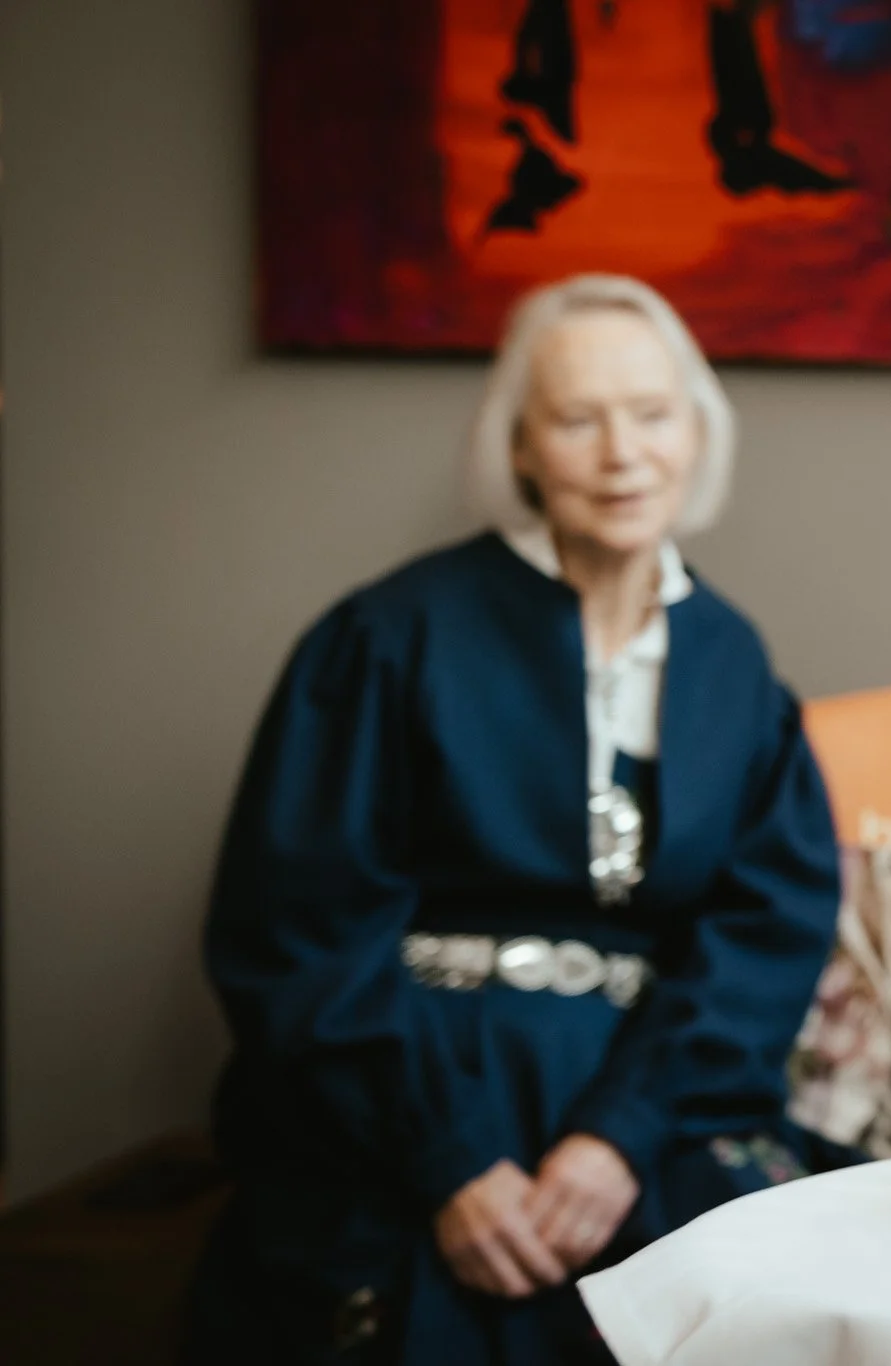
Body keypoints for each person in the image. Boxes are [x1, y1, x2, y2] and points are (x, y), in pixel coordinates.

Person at [184, 274, 854, 1364]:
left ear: (696, 434)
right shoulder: (389, 636)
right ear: (521, 448)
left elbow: (764, 936)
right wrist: (447, 1160)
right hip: (411, 1092)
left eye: (652, 415)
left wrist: (619, 1138)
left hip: (645, 1098)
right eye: (578, 420)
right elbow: (297, 926)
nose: (623, 454)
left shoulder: (734, 665)